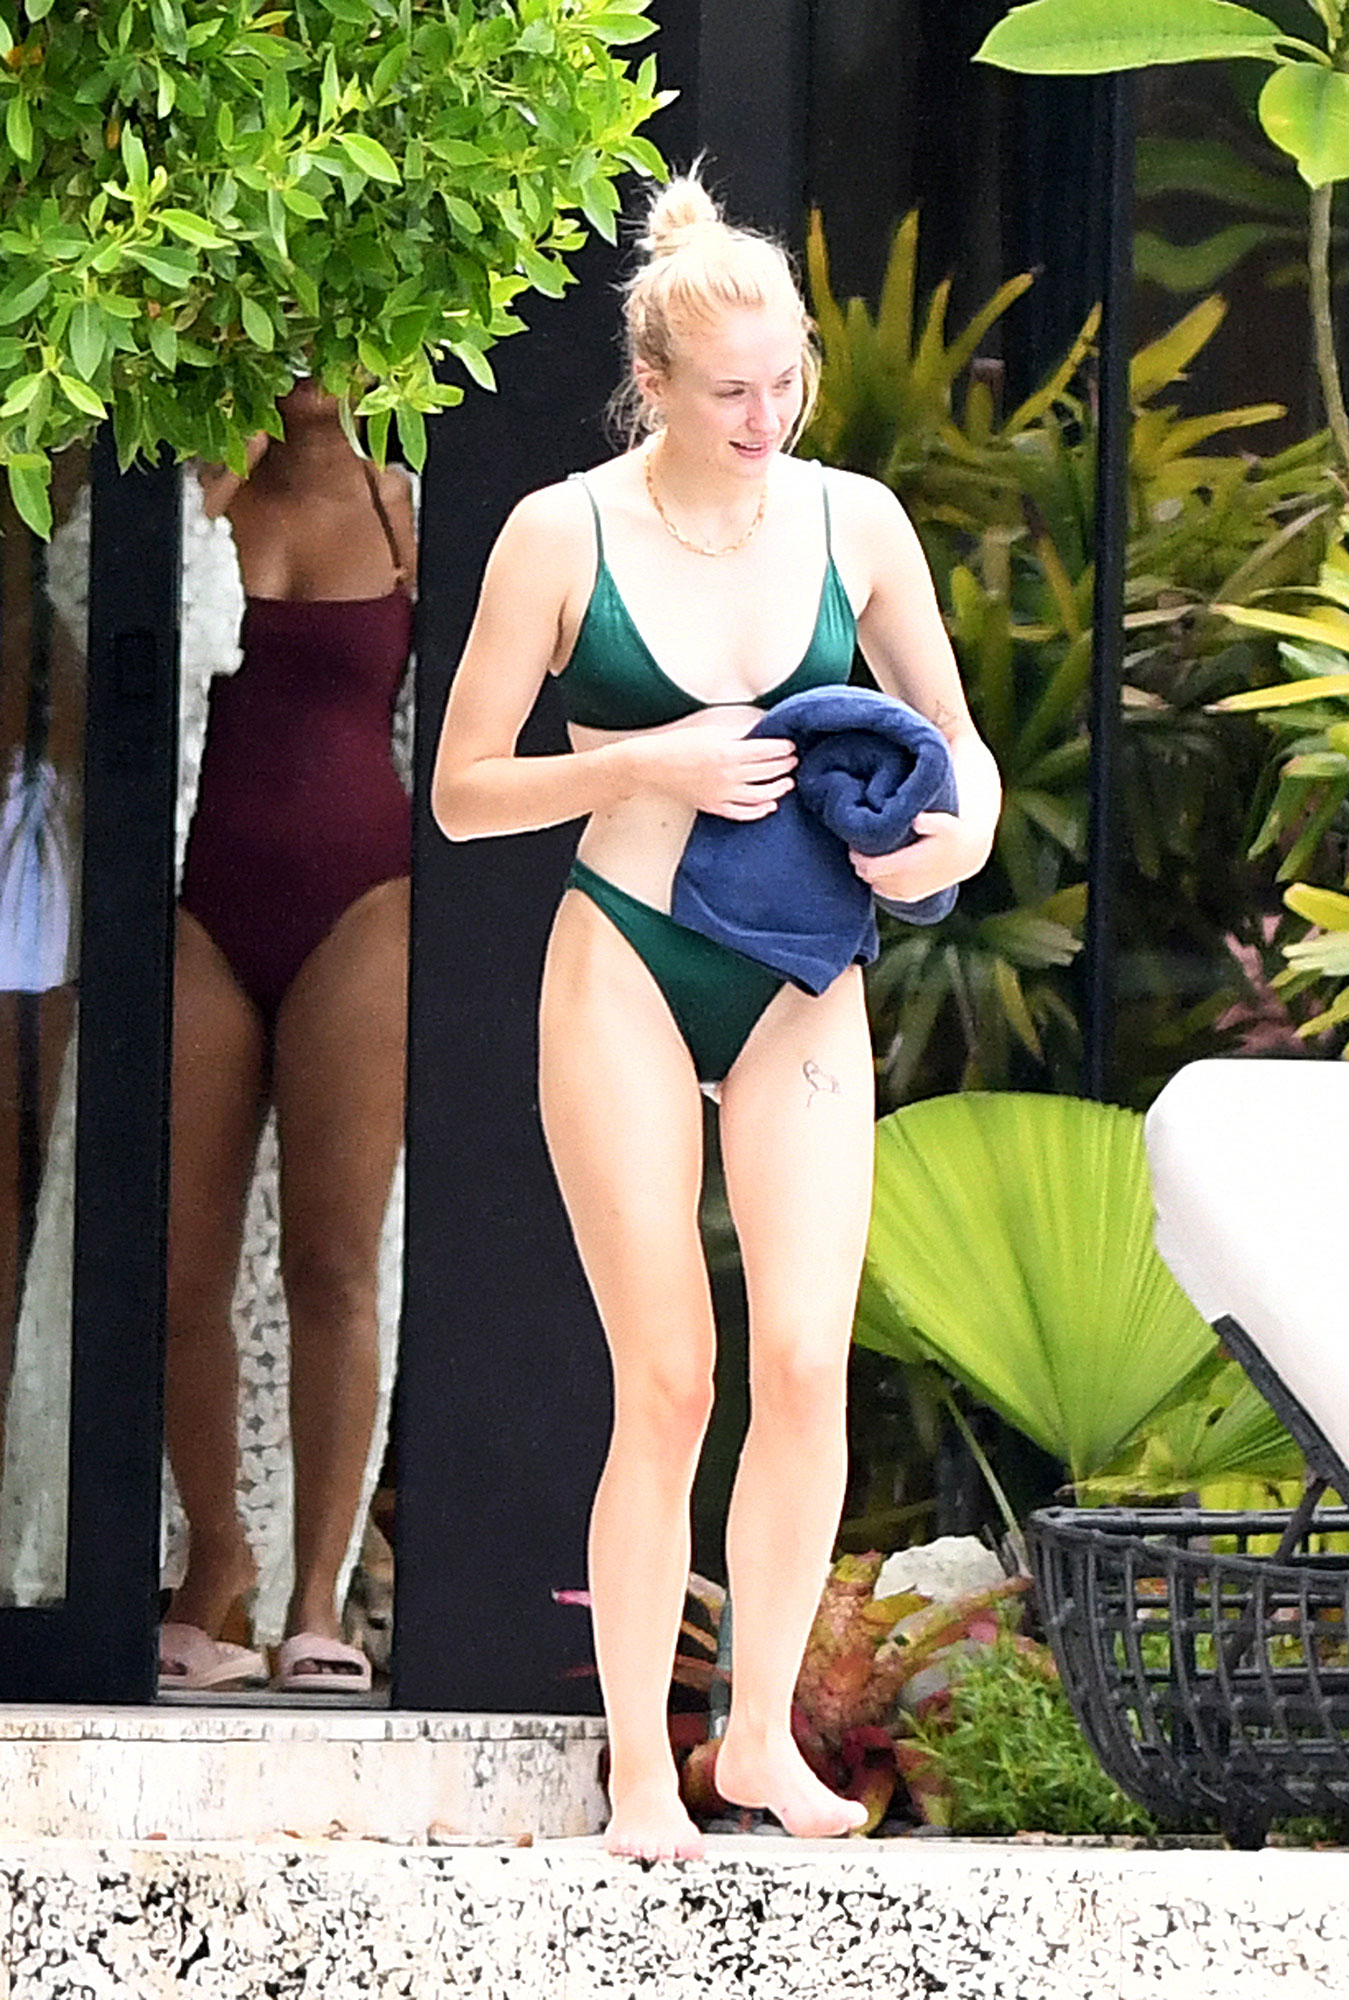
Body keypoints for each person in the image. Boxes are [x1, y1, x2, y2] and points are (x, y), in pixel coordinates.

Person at [431, 175, 1001, 1859]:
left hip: (803, 969)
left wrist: (952, 845)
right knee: (671, 1375)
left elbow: (957, 745)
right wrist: (647, 766)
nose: (769, 418)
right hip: (625, 949)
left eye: (787, 382)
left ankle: (757, 1739)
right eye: (733, 391)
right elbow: (461, 790)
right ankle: (635, 1769)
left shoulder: (856, 522)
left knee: (809, 1365)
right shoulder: (563, 534)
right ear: (656, 384)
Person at [158, 376, 416, 1693]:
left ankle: (320, 1599)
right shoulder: (189, 499)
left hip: (363, 904)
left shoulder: (407, 509)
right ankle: (218, 1558)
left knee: (334, 1262)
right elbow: (102, 643)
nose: (310, 351)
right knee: (175, 1265)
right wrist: (215, 473)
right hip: (197, 902)